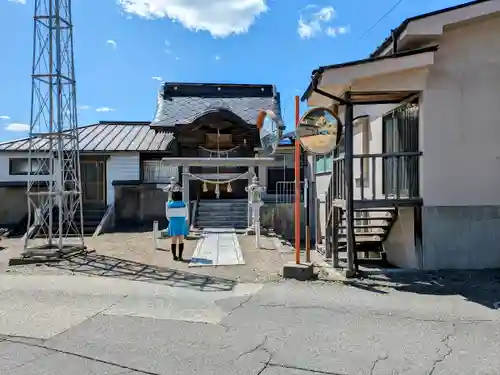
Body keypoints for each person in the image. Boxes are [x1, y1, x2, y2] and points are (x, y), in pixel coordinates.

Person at [165, 191, 189, 261]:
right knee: (181, 240)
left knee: (173, 240)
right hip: (181, 222)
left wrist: (172, 220)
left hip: (173, 222)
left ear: (172, 197)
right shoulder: (184, 204)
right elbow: (186, 216)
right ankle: (180, 256)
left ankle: (174, 256)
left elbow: (167, 216)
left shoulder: (169, 204)